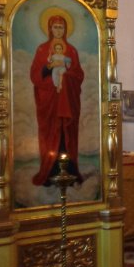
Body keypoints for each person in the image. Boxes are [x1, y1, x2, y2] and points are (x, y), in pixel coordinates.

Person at [30, 14, 84, 186]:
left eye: (61, 27)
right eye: (55, 27)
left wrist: (66, 75)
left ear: (65, 29)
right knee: (51, 134)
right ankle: (49, 171)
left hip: (68, 100)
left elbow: (79, 75)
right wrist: (49, 67)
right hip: (50, 102)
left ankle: (70, 171)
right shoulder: (42, 50)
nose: (58, 30)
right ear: (50, 29)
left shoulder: (72, 51)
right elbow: (35, 75)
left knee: (67, 133)